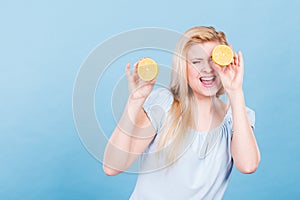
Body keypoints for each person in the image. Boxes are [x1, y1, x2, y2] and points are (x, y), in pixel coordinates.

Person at [102, 26, 261, 199]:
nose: (208, 69)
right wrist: (134, 102)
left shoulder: (237, 116)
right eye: (196, 61)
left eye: (214, 60)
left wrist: (236, 92)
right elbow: (112, 167)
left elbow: (248, 165)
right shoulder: (163, 106)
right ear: (182, 67)